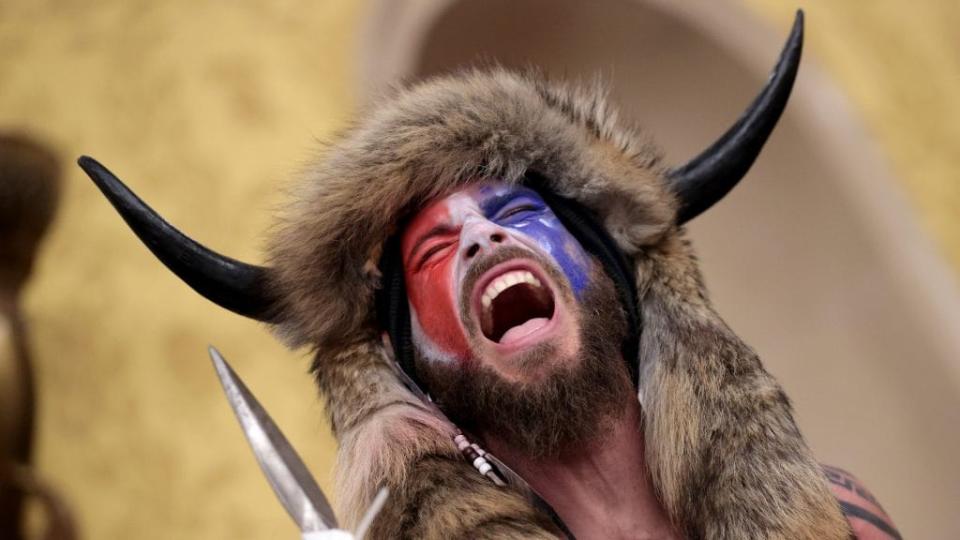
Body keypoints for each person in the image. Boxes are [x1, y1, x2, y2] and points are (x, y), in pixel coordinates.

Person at [81, 12, 900, 539]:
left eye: (515, 215)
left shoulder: (846, 521)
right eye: (434, 252)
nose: (477, 239)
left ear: (612, 275)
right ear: (417, 374)